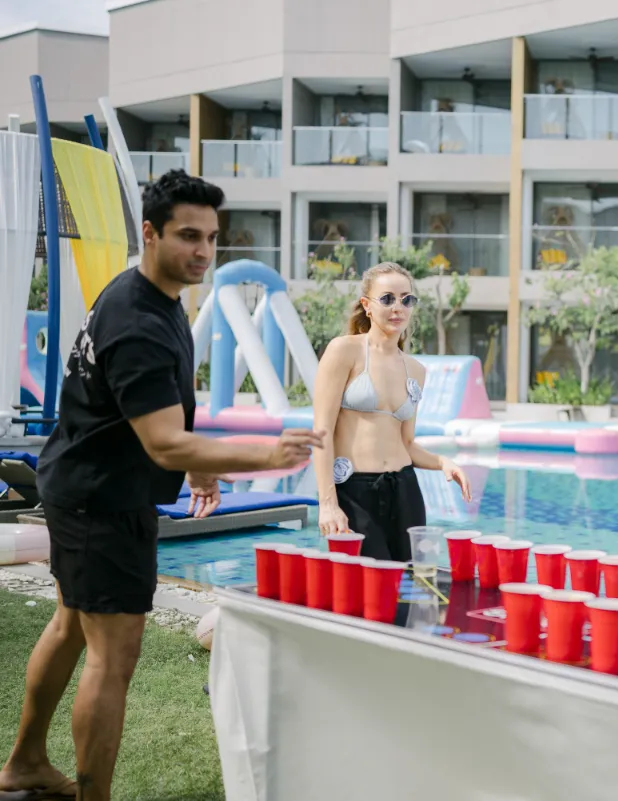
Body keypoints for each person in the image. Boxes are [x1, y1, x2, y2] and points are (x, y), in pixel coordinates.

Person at [0, 170, 324, 801]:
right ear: (150, 233)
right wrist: (264, 453)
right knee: (113, 655)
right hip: (102, 499)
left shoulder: (151, 293)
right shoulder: (139, 322)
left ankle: (26, 763)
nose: (203, 251)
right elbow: (164, 442)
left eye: (211, 238)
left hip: (80, 483)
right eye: (187, 236)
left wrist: (198, 464)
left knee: (72, 624)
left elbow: (160, 411)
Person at [313, 261, 471, 560]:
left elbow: (407, 443)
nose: (398, 307)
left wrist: (443, 462)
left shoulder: (415, 369)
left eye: (406, 299)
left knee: (412, 581)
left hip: (405, 490)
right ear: (367, 306)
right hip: (354, 490)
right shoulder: (344, 351)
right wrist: (328, 503)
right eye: (387, 299)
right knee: (368, 581)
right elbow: (322, 432)